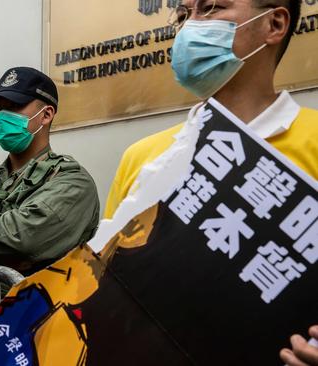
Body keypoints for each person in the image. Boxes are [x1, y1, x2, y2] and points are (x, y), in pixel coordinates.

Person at [102, 1, 318, 364]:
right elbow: (104, 282)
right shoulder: (143, 157)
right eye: (184, 15)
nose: (190, 28)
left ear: (275, 23)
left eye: (211, 8)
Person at [0, 66, 100, 342]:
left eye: (14, 107)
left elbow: (24, 238)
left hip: (41, 334)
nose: (1, 117)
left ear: (46, 114)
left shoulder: (72, 182)